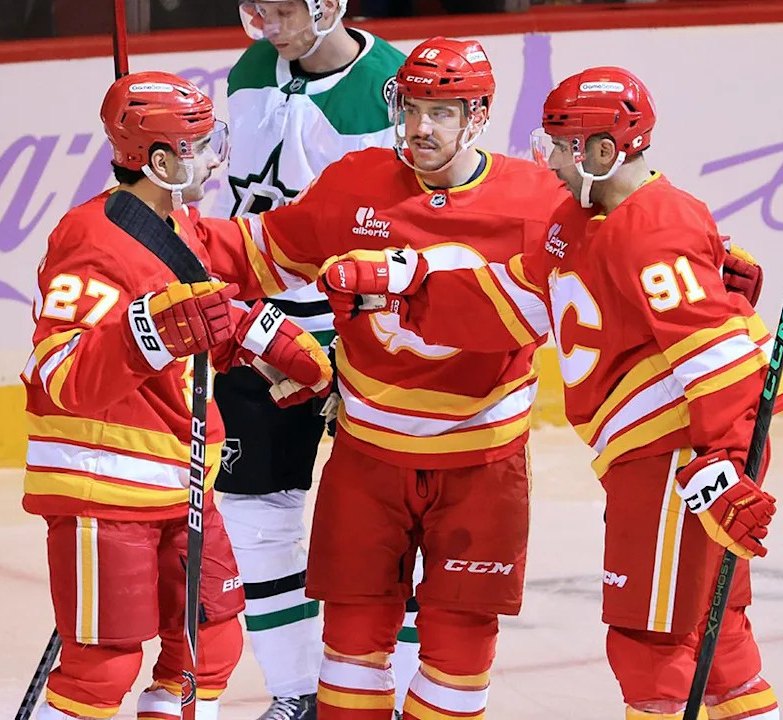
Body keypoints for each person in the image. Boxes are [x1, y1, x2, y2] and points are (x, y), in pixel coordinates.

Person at [322, 67, 783, 720]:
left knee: (651, 644)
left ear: (603, 152)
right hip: (656, 459)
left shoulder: (652, 228)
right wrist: (404, 290)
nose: (546, 160)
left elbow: (715, 358)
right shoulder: (579, 222)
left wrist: (724, 462)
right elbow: (515, 297)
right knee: (717, 645)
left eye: (560, 143)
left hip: (677, 458)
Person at [217, 36, 581, 720]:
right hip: (368, 459)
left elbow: (613, 264)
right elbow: (257, 251)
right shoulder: (355, 182)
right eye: (411, 107)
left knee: (458, 649)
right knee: (351, 643)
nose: (421, 127)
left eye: (442, 112)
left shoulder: (539, 201)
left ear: (478, 117)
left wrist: (701, 255)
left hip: (481, 465)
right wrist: (148, 234)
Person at [22, 71, 332, 720]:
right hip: (103, 487)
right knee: (101, 666)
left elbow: (206, 318)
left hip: (179, 482)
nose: (216, 156)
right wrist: (151, 334)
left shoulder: (183, 227)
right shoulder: (89, 241)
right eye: (200, 143)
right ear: (161, 161)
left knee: (208, 643)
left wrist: (258, 335)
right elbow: (61, 374)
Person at [210, 2, 412, 717]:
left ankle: (393, 694)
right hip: (256, 326)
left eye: (284, 6)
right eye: (257, 4)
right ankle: (295, 693)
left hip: (365, 333)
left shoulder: (394, 85)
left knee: (393, 522)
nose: (267, 20)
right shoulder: (249, 70)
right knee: (257, 517)